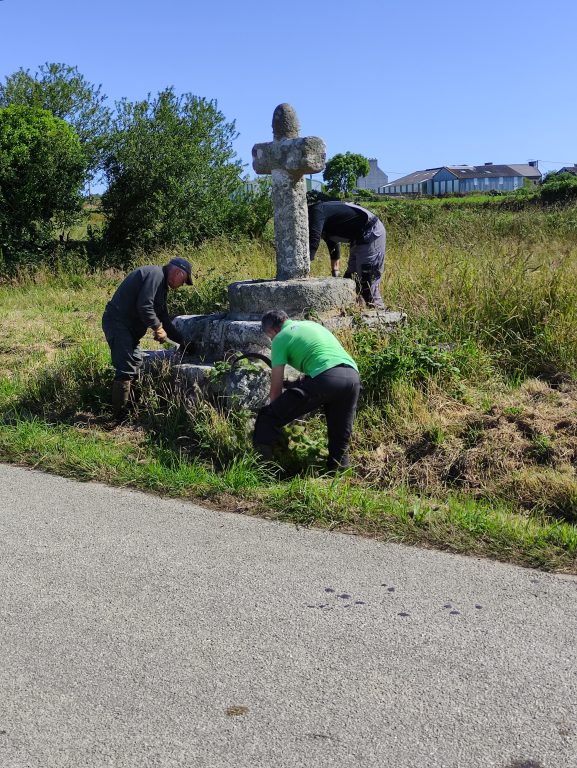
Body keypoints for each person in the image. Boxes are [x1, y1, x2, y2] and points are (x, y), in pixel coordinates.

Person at [253, 309, 361, 471]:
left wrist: (278, 414)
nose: (272, 340)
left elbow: (275, 391)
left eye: (270, 337)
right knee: (339, 435)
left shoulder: (280, 338)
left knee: (267, 417)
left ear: (273, 330)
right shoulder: (310, 325)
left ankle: (264, 472)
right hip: (352, 377)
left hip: (327, 377)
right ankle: (338, 476)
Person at [102, 257, 192, 420]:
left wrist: (182, 341)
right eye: (184, 281)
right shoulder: (156, 275)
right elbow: (144, 305)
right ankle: (118, 418)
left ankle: (131, 411)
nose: (182, 285)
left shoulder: (161, 284)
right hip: (118, 324)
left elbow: (162, 316)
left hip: (128, 329)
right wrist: (157, 328)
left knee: (135, 364)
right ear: (179, 273)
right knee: (126, 368)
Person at [308, 200, 386, 308]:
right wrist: (335, 272)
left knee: (366, 278)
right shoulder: (322, 217)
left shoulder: (315, 212)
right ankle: (358, 310)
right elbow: (332, 243)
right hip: (357, 238)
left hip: (371, 232)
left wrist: (305, 266)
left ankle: (378, 312)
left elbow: (313, 241)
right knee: (351, 279)